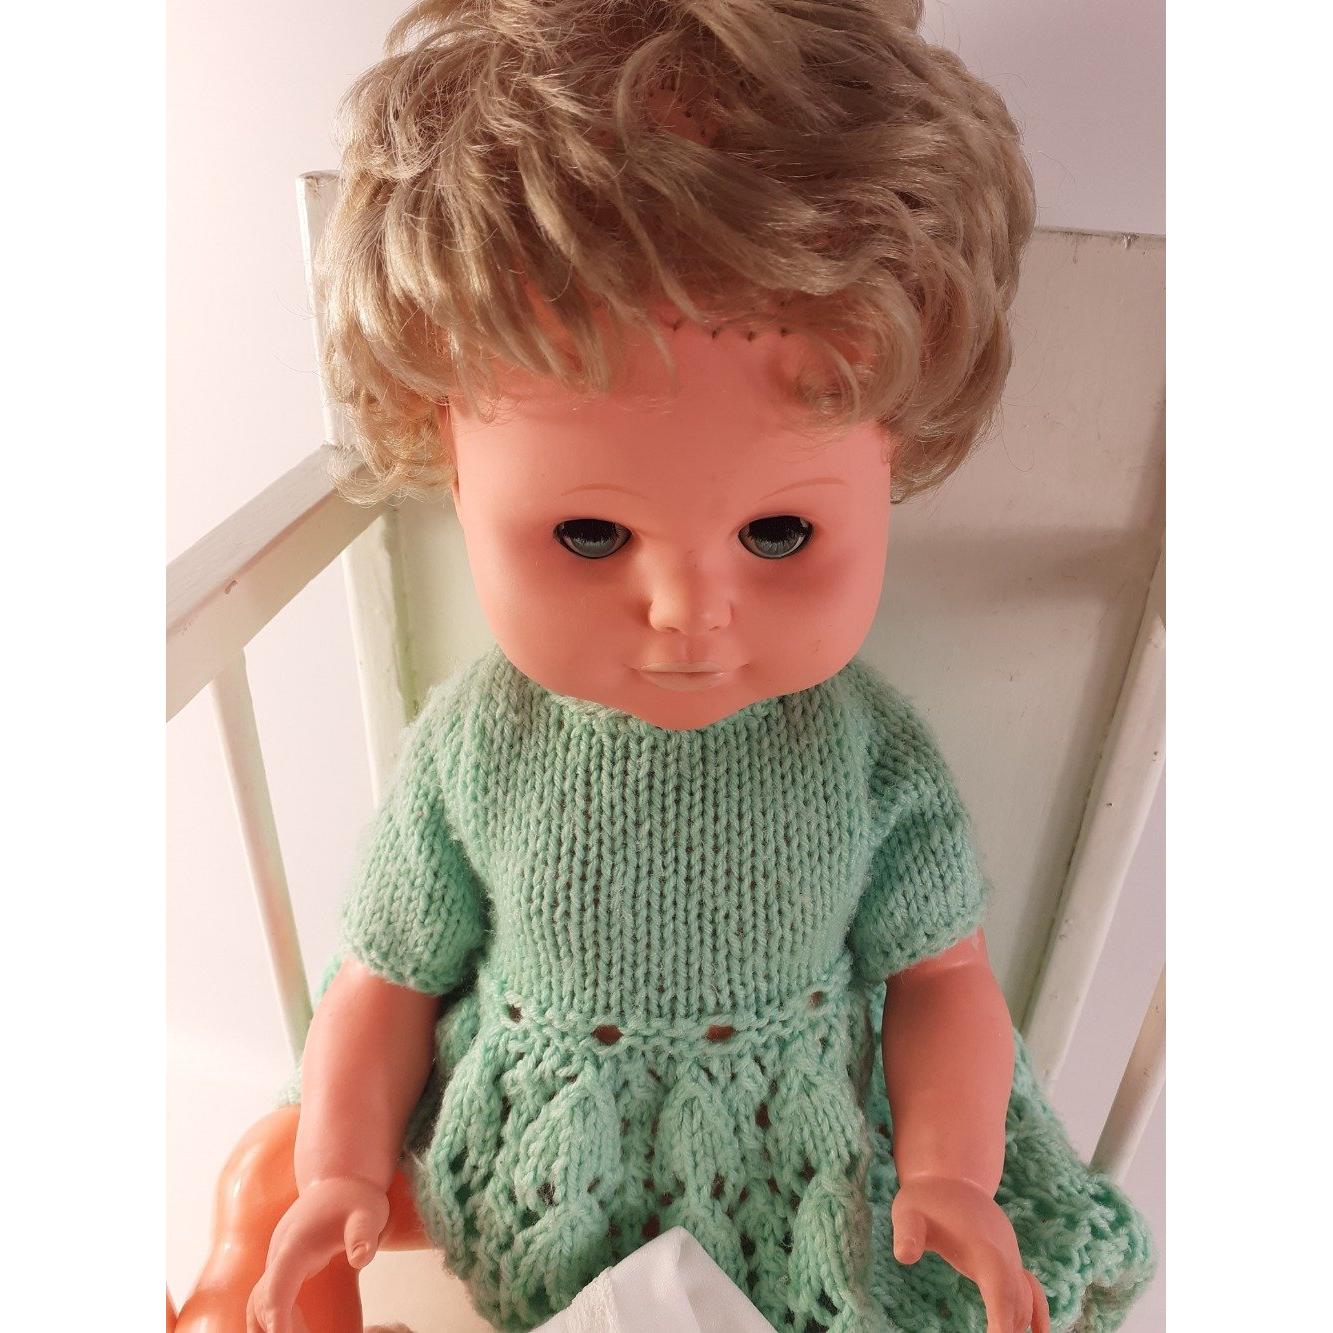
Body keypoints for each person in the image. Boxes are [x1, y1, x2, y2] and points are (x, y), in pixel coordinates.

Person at [182, 2, 1156, 1329]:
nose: (687, 613)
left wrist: (948, 1173)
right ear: (451, 471)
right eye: (590, 533)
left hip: (801, 1175)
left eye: (779, 532)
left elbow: (939, 978)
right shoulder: (481, 747)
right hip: (532, 1163)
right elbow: (385, 980)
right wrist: (341, 1172)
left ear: (892, 464)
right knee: (269, 1182)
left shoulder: (862, 753)